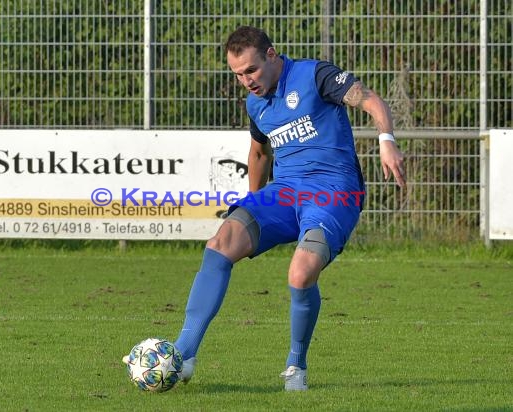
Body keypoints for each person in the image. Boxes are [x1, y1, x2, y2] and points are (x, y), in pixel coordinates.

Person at [174, 26, 406, 391]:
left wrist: (387, 141)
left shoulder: (315, 75)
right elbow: (259, 151)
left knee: (300, 275)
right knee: (221, 242)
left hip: (333, 192)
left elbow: (370, 100)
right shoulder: (256, 103)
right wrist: (252, 205)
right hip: (283, 193)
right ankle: (183, 354)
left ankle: (296, 365)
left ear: (271, 55)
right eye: (237, 74)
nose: (246, 81)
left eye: (250, 70)